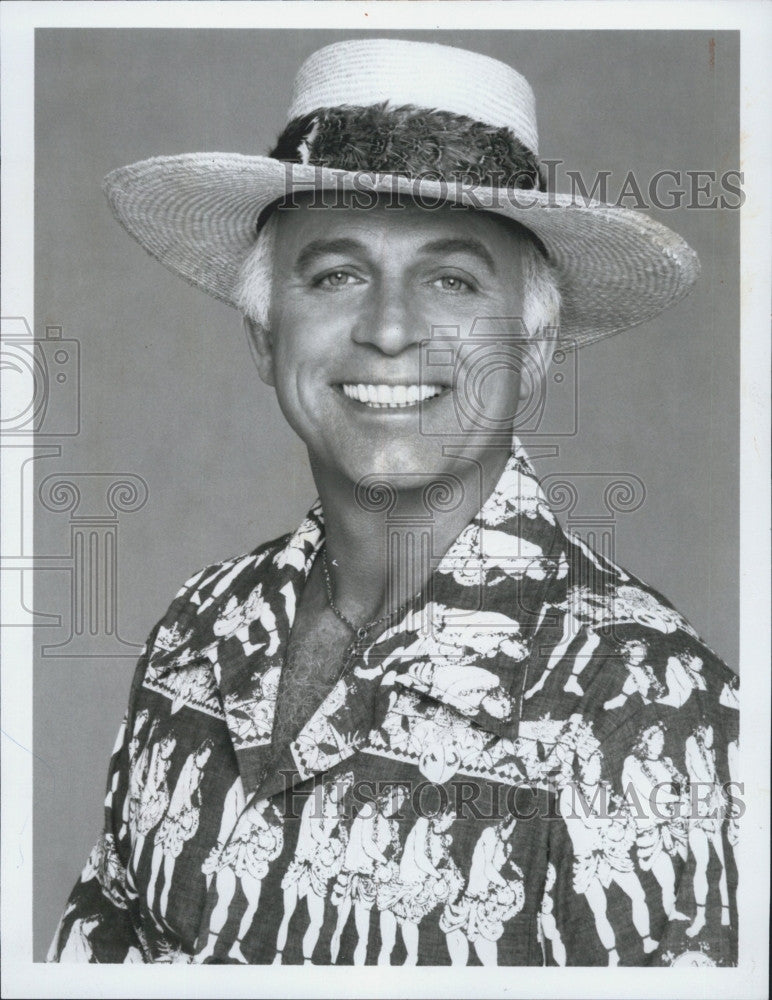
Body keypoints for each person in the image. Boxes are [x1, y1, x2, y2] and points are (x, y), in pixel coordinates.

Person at [49, 37, 738, 966]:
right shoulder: (198, 631)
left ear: (533, 352)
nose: (388, 329)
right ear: (264, 334)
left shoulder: (654, 714)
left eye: (452, 280)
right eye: (336, 274)